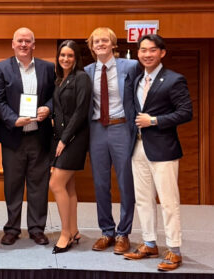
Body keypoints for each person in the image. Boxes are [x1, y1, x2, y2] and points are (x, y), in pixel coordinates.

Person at [123, 34, 192, 271]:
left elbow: (186, 112)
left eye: (152, 50)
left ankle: (174, 250)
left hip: (163, 148)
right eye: (142, 50)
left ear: (162, 52)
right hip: (138, 147)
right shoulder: (136, 79)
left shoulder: (174, 79)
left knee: (169, 201)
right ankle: (149, 243)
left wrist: (154, 120)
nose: (146, 54)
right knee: (143, 199)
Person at [0, 27, 55, 246]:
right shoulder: (1, 68)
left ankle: (37, 228)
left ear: (33, 45)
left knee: (39, 185)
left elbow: (55, 96)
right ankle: (12, 228)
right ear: (13, 43)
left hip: (39, 137)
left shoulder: (48, 68)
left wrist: (48, 108)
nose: (23, 44)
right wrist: (13, 119)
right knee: (13, 185)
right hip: (13, 137)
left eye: (28, 41)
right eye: (20, 40)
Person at [84, 27, 141, 254]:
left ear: (113, 43)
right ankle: (107, 231)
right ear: (91, 46)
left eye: (104, 40)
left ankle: (123, 233)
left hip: (121, 128)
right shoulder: (86, 71)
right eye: (96, 41)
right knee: (100, 183)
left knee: (126, 183)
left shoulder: (131, 66)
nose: (100, 44)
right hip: (97, 129)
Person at [49, 40, 91, 254]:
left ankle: (65, 234)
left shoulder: (82, 78)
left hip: (75, 138)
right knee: (69, 186)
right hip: (61, 138)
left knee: (56, 184)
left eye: (70, 56)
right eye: (62, 55)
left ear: (76, 58)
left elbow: (81, 112)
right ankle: (74, 230)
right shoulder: (59, 79)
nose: (65, 59)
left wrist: (64, 140)